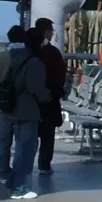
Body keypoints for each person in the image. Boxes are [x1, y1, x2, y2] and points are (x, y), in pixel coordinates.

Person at [0, 26, 49, 200]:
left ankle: (6, 175)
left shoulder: (6, 57)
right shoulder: (33, 62)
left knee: (5, 143)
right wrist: (48, 96)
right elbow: (37, 89)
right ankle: (20, 188)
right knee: (26, 149)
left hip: (6, 107)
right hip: (28, 110)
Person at [0, 26, 26, 189]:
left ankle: (3, 170)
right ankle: (20, 172)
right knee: (22, 141)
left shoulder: (1, 57)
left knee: (3, 141)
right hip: (24, 106)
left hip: (3, 106)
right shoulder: (29, 57)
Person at [33, 17, 67, 176]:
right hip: (50, 99)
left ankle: (25, 164)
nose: (53, 33)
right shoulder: (53, 53)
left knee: (30, 134)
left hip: (31, 100)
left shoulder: (31, 51)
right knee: (47, 135)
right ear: (46, 32)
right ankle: (44, 165)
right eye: (51, 30)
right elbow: (60, 75)